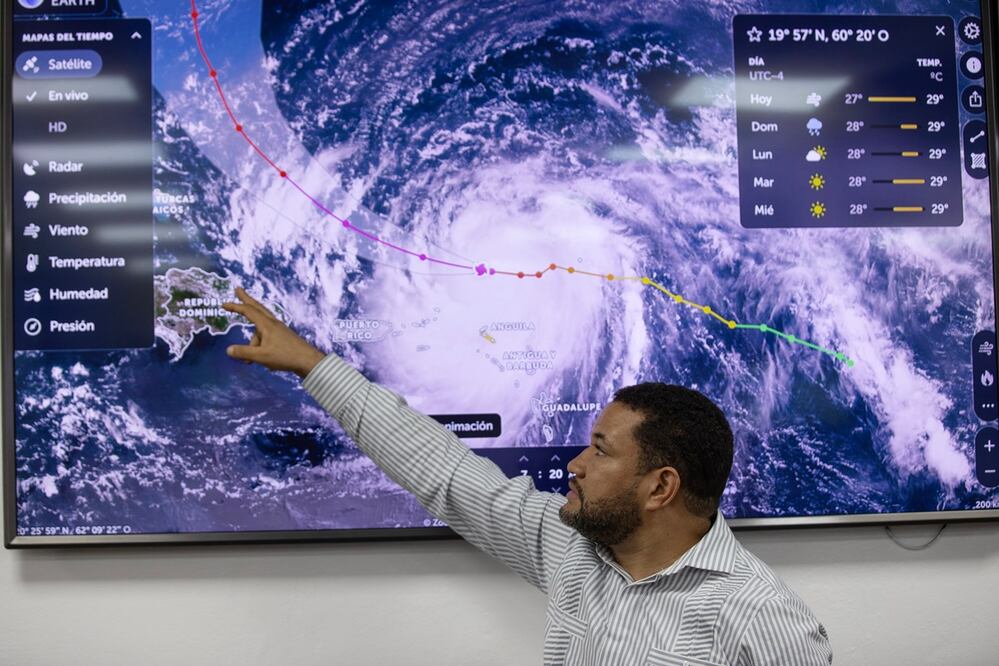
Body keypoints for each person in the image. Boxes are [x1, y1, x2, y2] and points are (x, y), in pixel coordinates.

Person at [223, 287, 832, 665]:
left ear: (660, 487)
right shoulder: (572, 548)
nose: (575, 465)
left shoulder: (763, 622)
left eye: (599, 451)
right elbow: (443, 469)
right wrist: (311, 363)